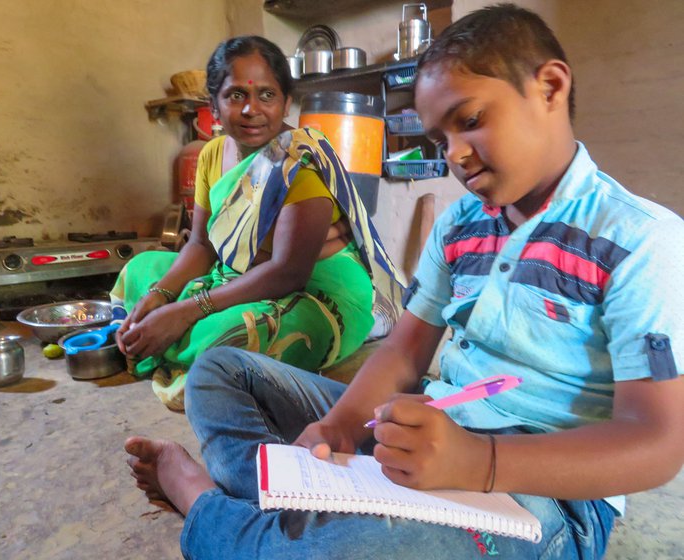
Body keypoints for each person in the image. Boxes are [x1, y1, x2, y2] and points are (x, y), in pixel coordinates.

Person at [125, 4, 684, 558]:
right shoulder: (461, 227)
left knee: (318, 553)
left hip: (549, 493)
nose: (456, 156)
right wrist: (342, 426)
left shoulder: (640, 240)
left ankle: (204, 500)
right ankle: (293, 515)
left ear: (550, 88)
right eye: (440, 140)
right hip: (432, 432)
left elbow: (657, 444)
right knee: (220, 371)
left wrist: (478, 461)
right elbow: (403, 352)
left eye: (469, 121)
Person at [111, 36, 403, 410]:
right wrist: (161, 295)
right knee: (141, 269)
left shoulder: (297, 161)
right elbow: (200, 245)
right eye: (235, 96)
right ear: (214, 106)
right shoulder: (212, 155)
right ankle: (164, 338)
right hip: (231, 277)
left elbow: (288, 272)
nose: (252, 109)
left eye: (267, 95)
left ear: (286, 102)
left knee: (233, 337)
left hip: (312, 291)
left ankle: (162, 342)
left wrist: (187, 309)